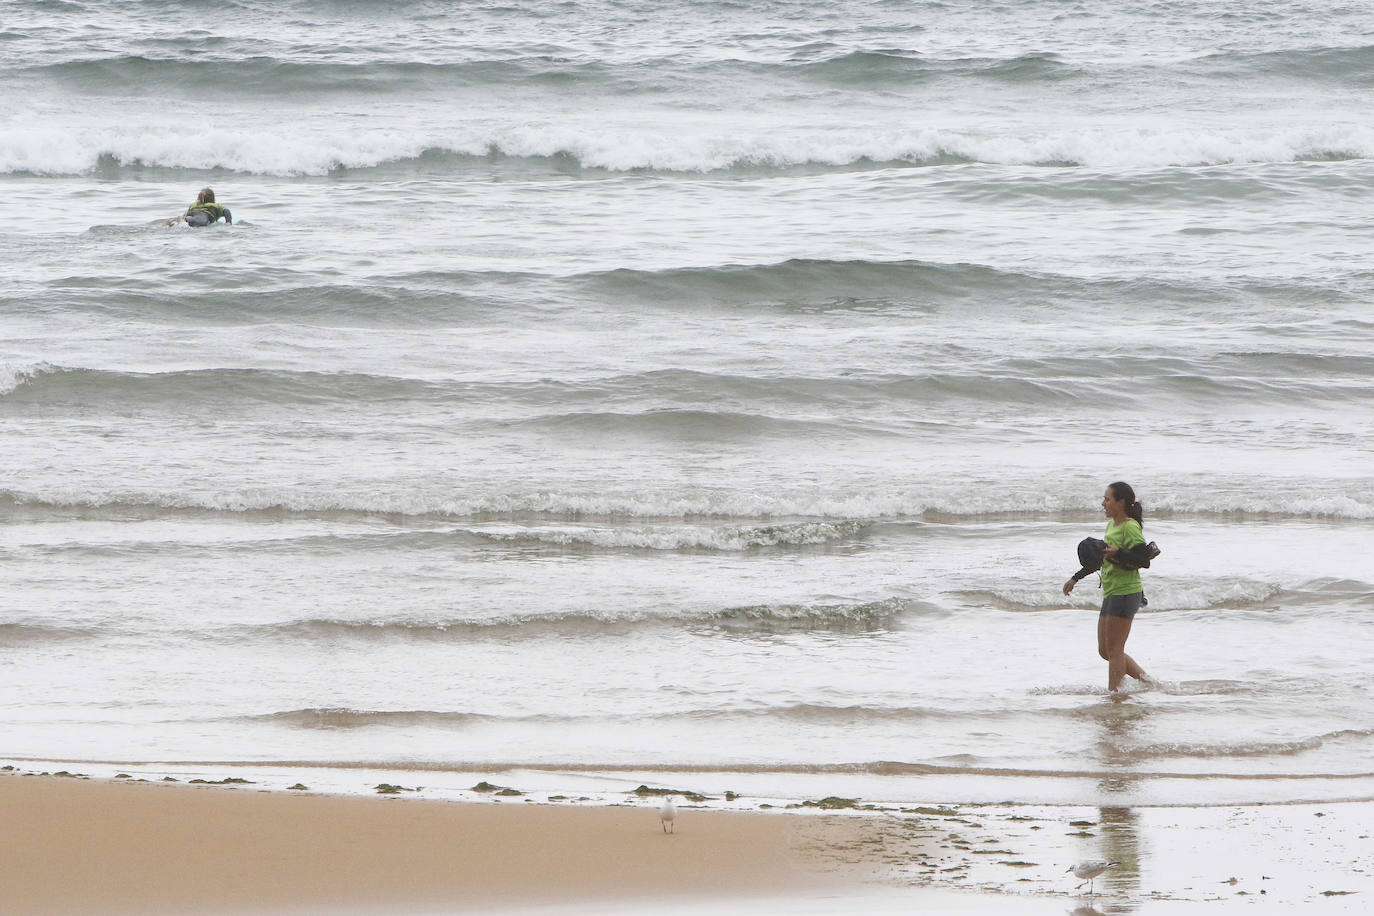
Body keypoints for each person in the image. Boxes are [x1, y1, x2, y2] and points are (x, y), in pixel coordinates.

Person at [1062, 481, 1154, 692]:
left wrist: (1118, 552)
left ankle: (1116, 695)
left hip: (1126, 592)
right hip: (1112, 591)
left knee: (1115, 650)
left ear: (1120, 502)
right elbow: (1101, 559)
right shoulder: (1112, 525)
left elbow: (1143, 560)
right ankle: (1148, 683)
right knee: (1105, 650)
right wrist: (1075, 578)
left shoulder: (1130, 526)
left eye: (1107, 499)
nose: (1103, 503)